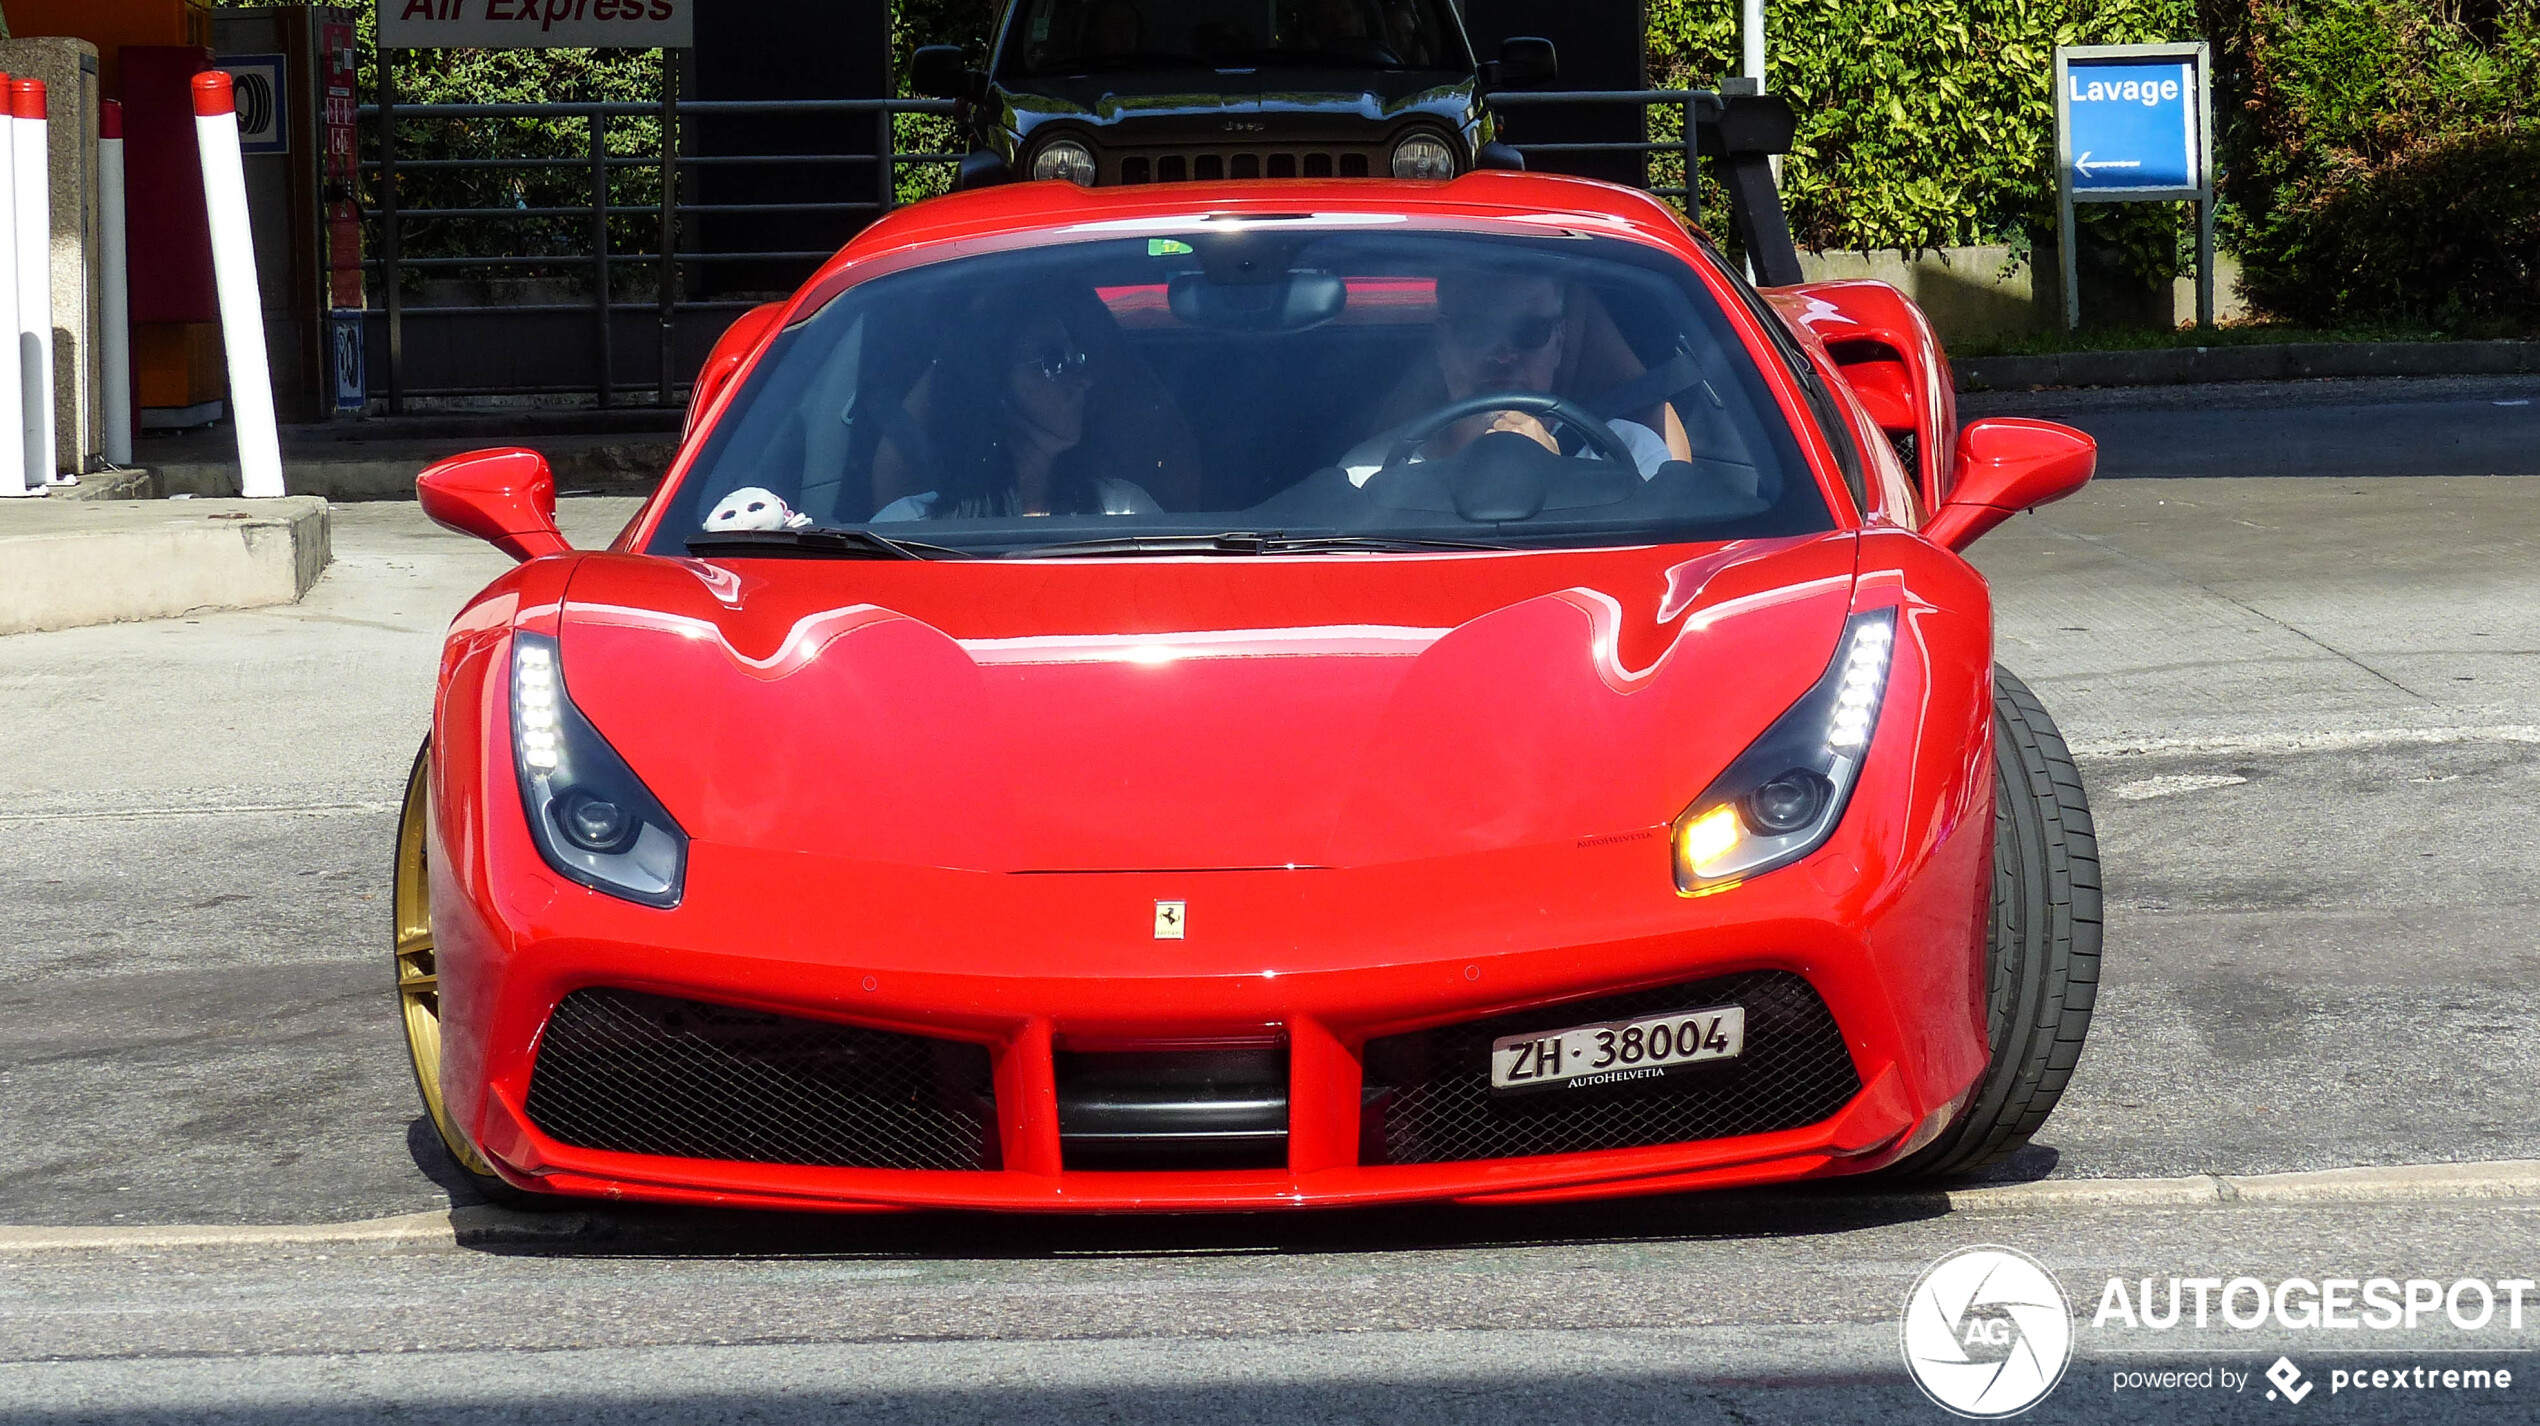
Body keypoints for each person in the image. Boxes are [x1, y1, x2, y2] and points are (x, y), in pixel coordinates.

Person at [871, 303, 1164, 522]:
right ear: (993, 385)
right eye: (1054, 361)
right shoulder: (903, 529)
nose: (1083, 380)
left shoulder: (1124, 511)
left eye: (1078, 358)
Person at [1411, 272, 1676, 477]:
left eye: (1529, 332)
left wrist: (1554, 478)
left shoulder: (1630, 455)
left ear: (1559, 345)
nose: (1504, 356)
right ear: (1441, 344)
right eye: (1478, 331)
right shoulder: (1379, 474)